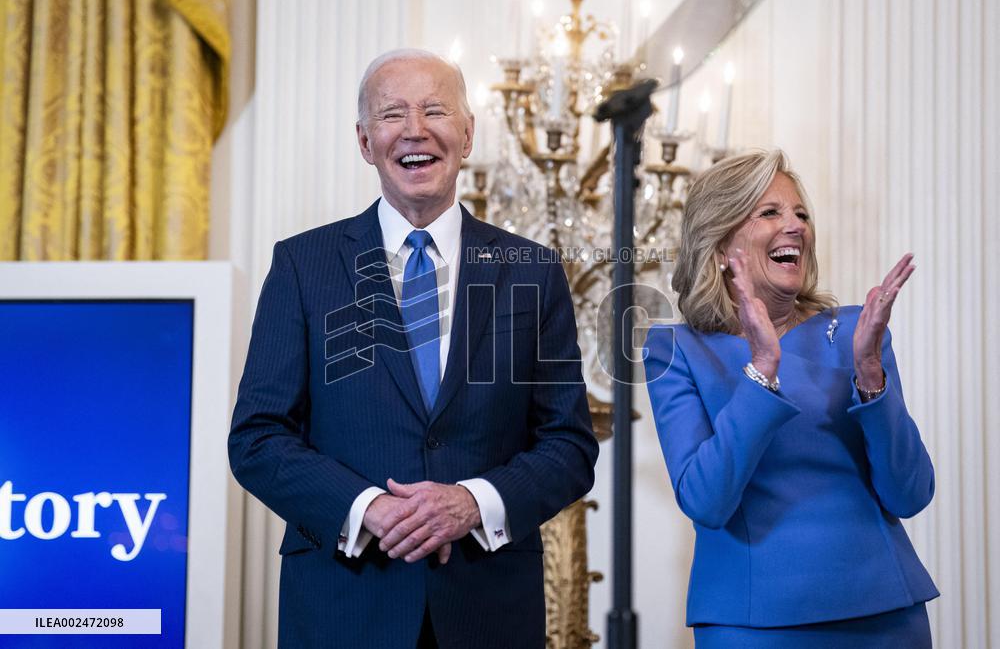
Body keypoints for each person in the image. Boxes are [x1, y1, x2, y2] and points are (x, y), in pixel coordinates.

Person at [229, 48, 598, 649]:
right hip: (344, 606)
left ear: (468, 134)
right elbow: (257, 437)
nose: (415, 130)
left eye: (435, 110)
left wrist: (473, 502)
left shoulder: (532, 270)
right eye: (392, 114)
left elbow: (570, 445)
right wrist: (367, 508)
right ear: (364, 140)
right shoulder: (302, 265)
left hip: (488, 611)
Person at [643, 149, 938, 647]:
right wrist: (762, 370)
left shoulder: (856, 332)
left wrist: (870, 371)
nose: (796, 226)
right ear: (720, 244)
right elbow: (706, 501)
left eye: (801, 214)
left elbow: (910, 493)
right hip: (752, 624)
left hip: (885, 613)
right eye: (770, 212)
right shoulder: (676, 350)